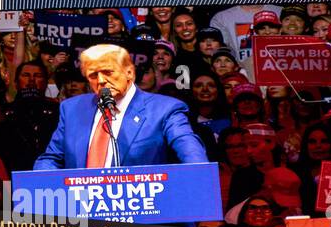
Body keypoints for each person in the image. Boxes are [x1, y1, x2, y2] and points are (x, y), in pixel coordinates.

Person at [33, 43, 207, 169]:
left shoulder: (164, 109)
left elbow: (188, 148)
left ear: (129, 72)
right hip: (81, 213)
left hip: (142, 213)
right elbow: (51, 158)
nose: (101, 80)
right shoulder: (72, 108)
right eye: (93, 75)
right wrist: (40, 185)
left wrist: (199, 174)